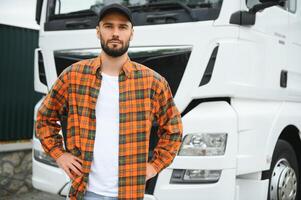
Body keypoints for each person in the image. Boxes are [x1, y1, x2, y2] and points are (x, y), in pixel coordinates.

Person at [35, 3, 183, 200]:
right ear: (98, 31)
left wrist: (155, 166)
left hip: (130, 193)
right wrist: (59, 154)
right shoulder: (73, 76)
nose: (115, 33)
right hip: (85, 192)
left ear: (132, 33)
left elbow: (173, 130)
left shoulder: (153, 82)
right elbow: (44, 118)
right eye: (108, 26)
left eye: (122, 27)